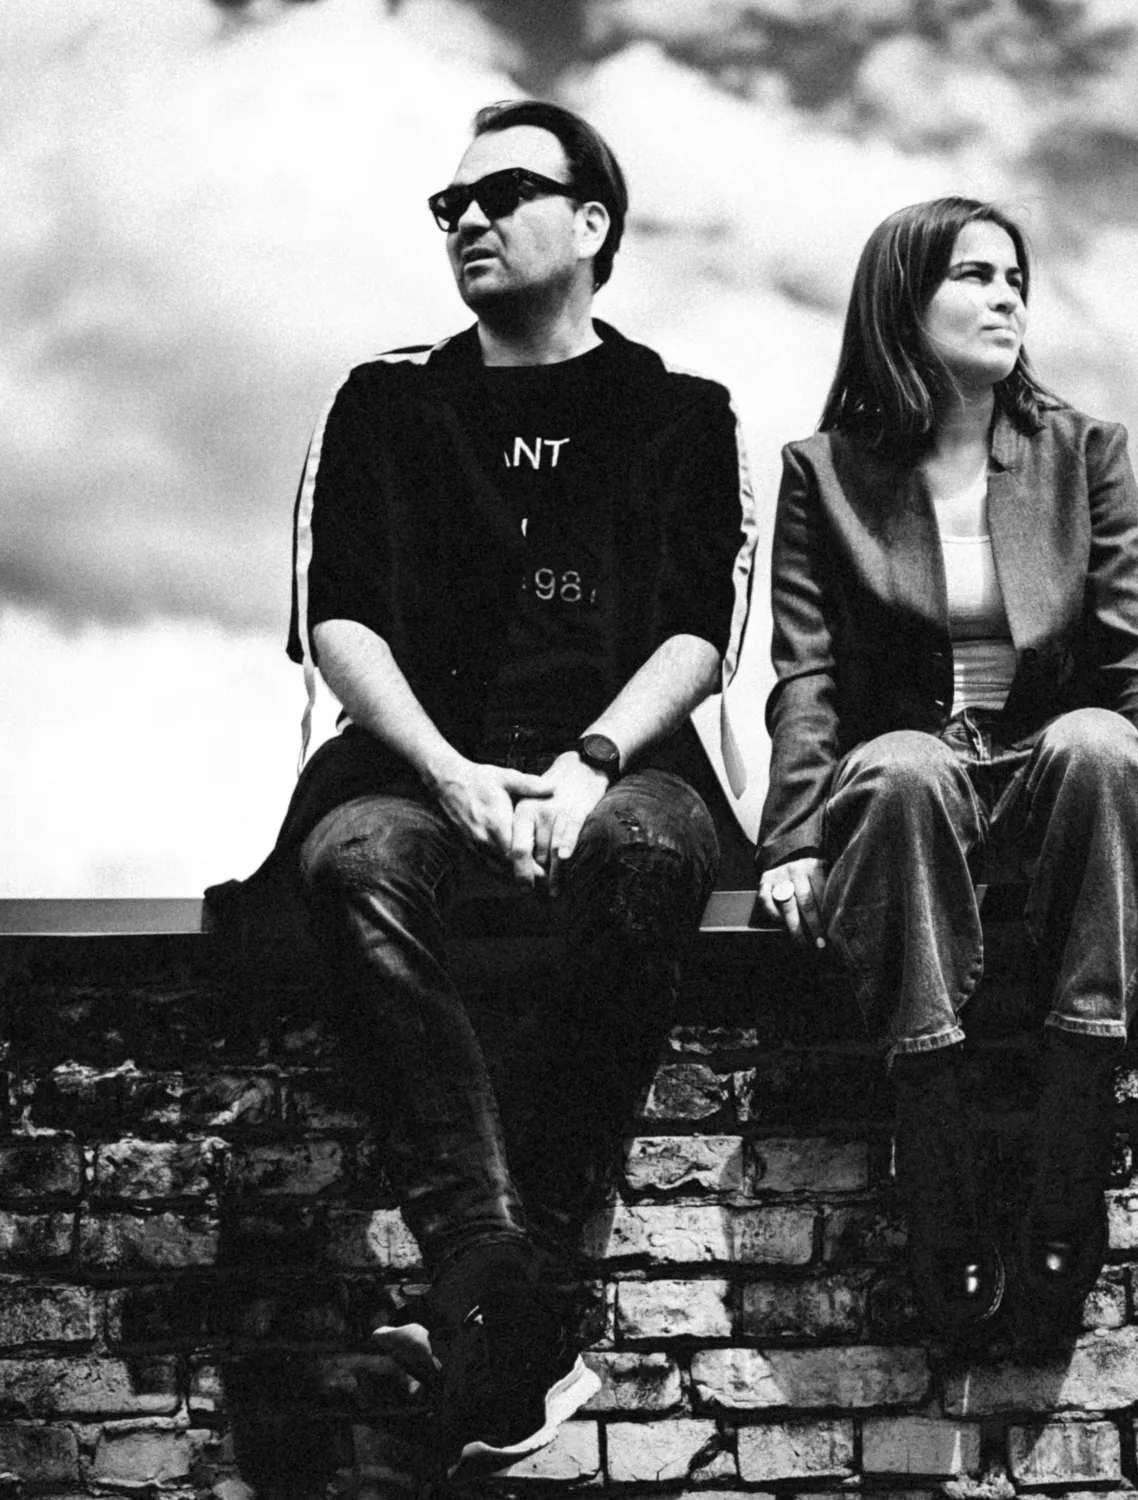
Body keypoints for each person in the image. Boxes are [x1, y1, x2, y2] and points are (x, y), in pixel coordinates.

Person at [267, 100, 754, 1476]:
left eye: (503, 194)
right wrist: (446, 770)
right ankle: (508, 1286)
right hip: (415, 762)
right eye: (451, 205)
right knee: (355, 863)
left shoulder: (681, 413)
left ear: (592, 224)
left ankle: (494, 1297)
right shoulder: (388, 404)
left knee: (652, 859)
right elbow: (340, 620)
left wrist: (590, 763)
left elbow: (697, 633)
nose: (468, 220)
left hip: (622, 762)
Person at [755, 197, 1138, 1346]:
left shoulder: (1083, 451)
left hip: (1051, 772)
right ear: (902, 300)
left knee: (1098, 742)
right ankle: (938, 1147)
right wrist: (794, 836)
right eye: (974, 275)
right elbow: (807, 673)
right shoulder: (823, 472)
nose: (1007, 296)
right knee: (899, 771)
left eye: (1016, 278)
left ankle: (1073, 1131)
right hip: (917, 780)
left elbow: (1136, 659)